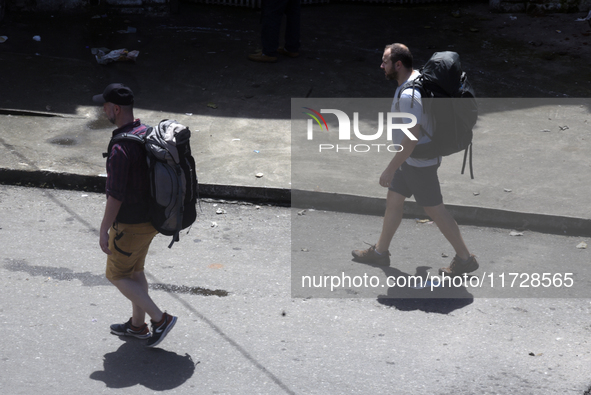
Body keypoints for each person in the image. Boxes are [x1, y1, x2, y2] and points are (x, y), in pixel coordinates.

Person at [351, 44, 478, 277]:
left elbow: (411, 139)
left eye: (385, 61)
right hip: (411, 160)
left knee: (436, 210)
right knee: (394, 200)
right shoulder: (416, 77)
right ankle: (381, 252)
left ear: (398, 65)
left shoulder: (410, 95)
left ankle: (465, 259)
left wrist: (390, 169)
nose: (382, 65)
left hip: (418, 162)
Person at [93, 83, 177, 347]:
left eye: (104, 106)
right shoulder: (146, 133)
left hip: (130, 224)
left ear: (115, 108)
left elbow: (115, 194)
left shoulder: (120, 148)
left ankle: (159, 318)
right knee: (135, 271)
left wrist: (104, 229)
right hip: (152, 219)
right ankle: (137, 326)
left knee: (116, 275)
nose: (102, 110)